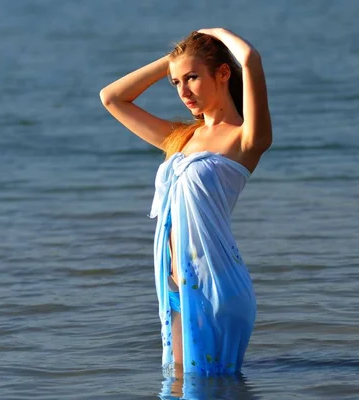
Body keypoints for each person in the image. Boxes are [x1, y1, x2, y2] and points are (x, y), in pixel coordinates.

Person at [99, 28, 272, 375]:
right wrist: (175, 61)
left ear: (223, 73)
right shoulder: (180, 138)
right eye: (175, 83)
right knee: (179, 386)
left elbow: (250, 59)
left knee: (202, 388)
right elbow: (112, 98)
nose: (183, 91)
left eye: (192, 78)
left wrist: (218, 35)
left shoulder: (246, 138)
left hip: (216, 287)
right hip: (176, 288)